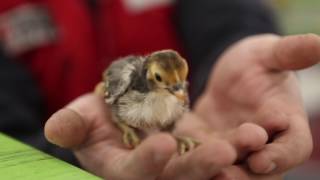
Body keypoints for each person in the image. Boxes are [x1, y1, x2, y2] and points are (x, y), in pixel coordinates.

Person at [0, 0, 316, 179]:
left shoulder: (176, 95)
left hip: (204, 139)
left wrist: (239, 44)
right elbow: (9, 134)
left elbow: (226, 14)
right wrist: (77, 154)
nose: (178, 92)